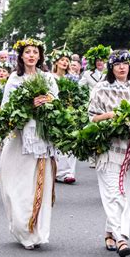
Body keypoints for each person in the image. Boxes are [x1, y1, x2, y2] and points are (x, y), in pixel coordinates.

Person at [88, 49, 130, 257]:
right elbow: (91, 118)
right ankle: (122, 238)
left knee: (125, 195)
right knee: (114, 192)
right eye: (117, 65)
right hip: (108, 149)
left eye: (125, 64)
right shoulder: (101, 88)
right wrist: (111, 116)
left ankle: (110, 232)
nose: (121, 67)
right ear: (111, 68)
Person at [0, 38, 58, 250]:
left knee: (40, 184)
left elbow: (56, 101)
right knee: (17, 183)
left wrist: (47, 100)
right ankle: (22, 226)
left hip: (41, 136)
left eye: (35, 52)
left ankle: (37, 230)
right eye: (28, 52)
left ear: (40, 56)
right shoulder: (15, 78)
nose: (32, 55)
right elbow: (7, 107)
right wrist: (27, 104)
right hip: (20, 135)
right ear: (21, 56)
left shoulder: (47, 77)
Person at [50, 48, 77, 184]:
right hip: (55, 111)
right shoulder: (50, 77)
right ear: (56, 62)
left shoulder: (72, 78)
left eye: (67, 60)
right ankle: (56, 170)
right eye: (62, 60)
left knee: (70, 140)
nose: (65, 63)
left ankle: (68, 172)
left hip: (70, 111)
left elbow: (77, 94)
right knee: (56, 140)